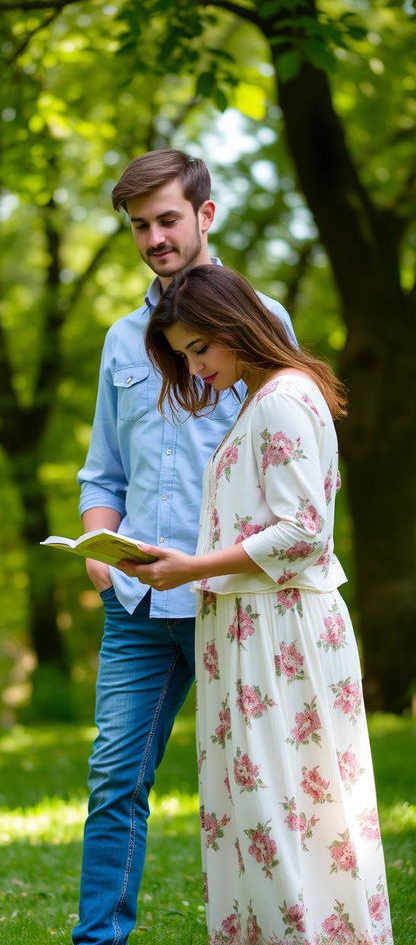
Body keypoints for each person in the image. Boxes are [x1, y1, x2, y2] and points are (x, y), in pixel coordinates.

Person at [119, 264, 393, 943]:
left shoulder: (278, 400)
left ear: (236, 328)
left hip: (278, 631)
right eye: (184, 355)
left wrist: (191, 570)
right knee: (274, 808)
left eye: (200, 348)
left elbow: (303, 530)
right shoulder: (265, 397)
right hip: (255, 625)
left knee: (283, 809)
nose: (195, 366)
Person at [73, 150, 296, 945]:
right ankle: (99, 940)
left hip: (229, 601)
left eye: (168, 219)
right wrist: (99, 549)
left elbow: (286, 468)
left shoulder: (259, 322)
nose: (155, 238)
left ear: (206, 215)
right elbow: (102, 471)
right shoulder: (121, 340)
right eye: (140, 226)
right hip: (136, 603)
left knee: (256, 784)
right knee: (114, 781)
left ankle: (275, 929)